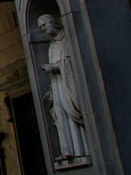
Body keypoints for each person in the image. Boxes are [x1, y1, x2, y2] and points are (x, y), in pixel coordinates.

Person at [38, 13, 87, 159]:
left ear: (53, 22)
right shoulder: (52, 45)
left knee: (70, 114)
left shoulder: (67, 40)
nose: (43, 29)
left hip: (68, 85)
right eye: (40, 27)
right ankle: (67, 151)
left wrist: (55, 67)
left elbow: (75, 61)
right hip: (57, 86)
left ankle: (80, 150)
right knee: (60, 117)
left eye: (44, 25)